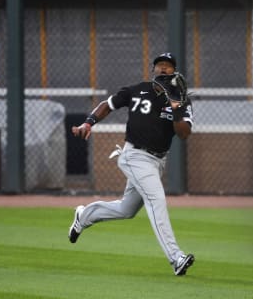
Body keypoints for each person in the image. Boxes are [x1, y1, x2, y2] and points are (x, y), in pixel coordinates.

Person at [68, 52, 195, 276]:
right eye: (160, 65)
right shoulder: (137, 89)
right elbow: (107, 105)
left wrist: (176, 107)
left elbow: (183, 133)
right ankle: (176, 258)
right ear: (153, 69)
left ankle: (84, 216)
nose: (163, 69)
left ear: (174, 71)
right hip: (134, 155)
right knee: (156, 199)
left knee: (126, 210)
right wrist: (89, 122)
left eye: (168, 66)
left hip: (157, 160)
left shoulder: (181, 100)